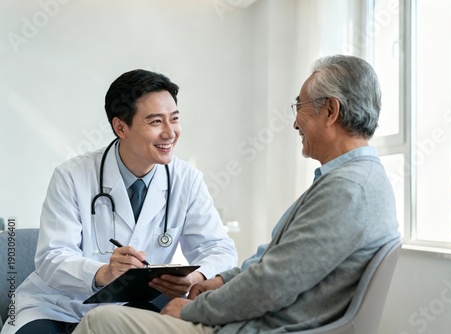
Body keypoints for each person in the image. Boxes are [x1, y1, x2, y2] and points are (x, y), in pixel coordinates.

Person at [72, 54, 401, 334]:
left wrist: (192, 309)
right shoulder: (353, 181)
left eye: (299, 105)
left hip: (260, 326)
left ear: (330, 111)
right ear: (121, 127)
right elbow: (274, 262)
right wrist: (221, 281)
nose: (294, 122)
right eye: (156, 121)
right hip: (249, 317)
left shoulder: (348, 190)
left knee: (100, 323)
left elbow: (271, 283)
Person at [0, 70, 238, 334]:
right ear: (121, 127)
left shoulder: (186, 179)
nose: (170, 133)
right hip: (55, 306)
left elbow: (219, 249)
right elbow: (51, 258)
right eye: (156, 122)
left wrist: (195, 277)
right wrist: (104, 273)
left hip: (129, 307)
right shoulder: (72, 176)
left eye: (175, 119)